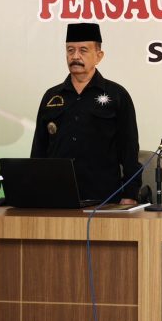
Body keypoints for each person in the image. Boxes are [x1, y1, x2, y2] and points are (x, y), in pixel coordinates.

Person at [31, 23, 141, 204]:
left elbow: (129, 149)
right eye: (70, 50)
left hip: (104, 198)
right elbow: (39, 150)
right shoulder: (51, 96)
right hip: (56, 196)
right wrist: (34, 191)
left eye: (83, 50)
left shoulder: (117, 95)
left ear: (99, 56)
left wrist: (130, 194)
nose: (75, 56)